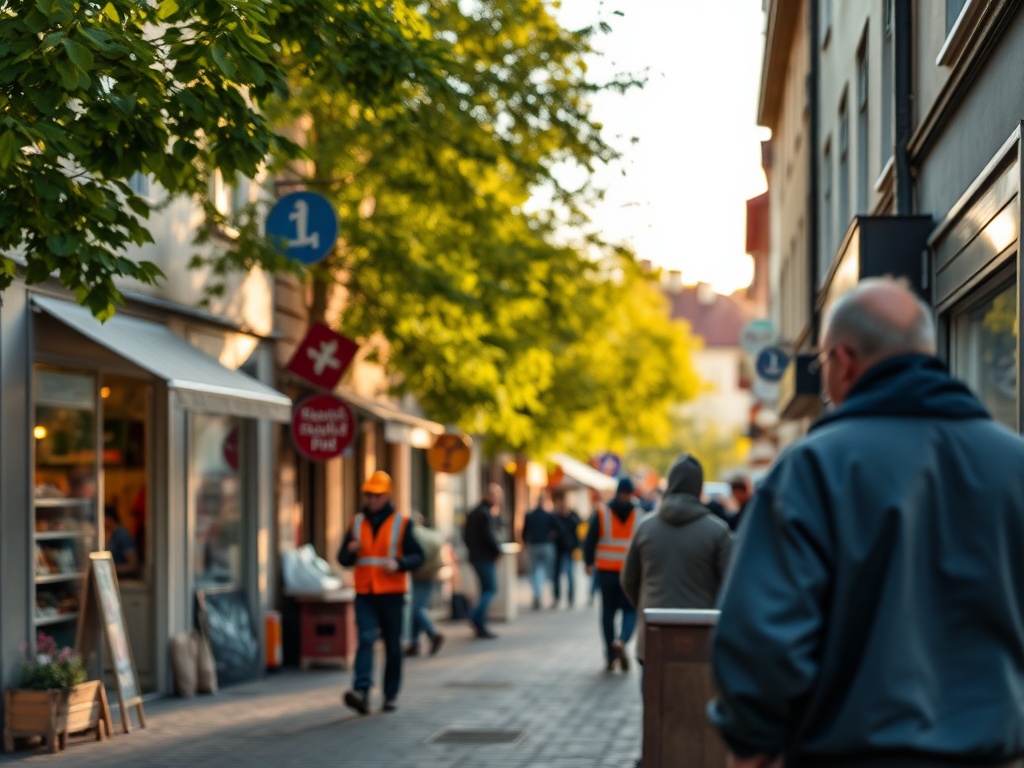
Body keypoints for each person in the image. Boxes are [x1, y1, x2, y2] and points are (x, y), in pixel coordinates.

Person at [709, 276, 1024, 767]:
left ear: (844, 360)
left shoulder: (812, 469)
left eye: (822, 362)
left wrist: (752, 742)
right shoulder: (1014, 464)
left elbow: (764, 641)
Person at [621, 453, 732, 768]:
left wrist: (646, 612)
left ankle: (655, 758)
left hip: (653, 638)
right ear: (697, 489)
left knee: (655, 706)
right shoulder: (718, 531)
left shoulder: (646, 527)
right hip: (703, 640)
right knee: (699, 706)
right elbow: (733, 586)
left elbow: (628, 580)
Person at [337, 471, 423, 715]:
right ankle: (361, 691)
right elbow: (342, 558)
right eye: (368, 495)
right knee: (365, 639)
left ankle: (390, 694)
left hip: (392, 593)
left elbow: (418, 556)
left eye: (376, 495)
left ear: (387, 495)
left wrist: (400, 563)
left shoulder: (402, 523)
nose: (372, 499)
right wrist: (351, 550)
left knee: (393, 646)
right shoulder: (356, 522)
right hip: (365, 592)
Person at [583, 476, 639, 672]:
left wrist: (588, 562)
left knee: (608, 613)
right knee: (630, 611)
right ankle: (622, 640)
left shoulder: (602, 512)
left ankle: (610, 654)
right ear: (632, 493)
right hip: (630, 573)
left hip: (606, 572)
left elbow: (590, 539)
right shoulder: (639, 514)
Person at [463, 482, 504, 639]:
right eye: (496, 495)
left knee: (485, 590)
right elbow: (489, 537)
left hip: (476, 556)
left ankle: (480, 624)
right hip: (484, 558)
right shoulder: (484, 513)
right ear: (488, 495)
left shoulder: (475, 512)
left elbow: (466, 536)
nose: (498, 499)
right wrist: (497, 551)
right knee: (490, 589)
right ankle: (475, 617)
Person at [404, 512, 446, 658]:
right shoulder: (429, 533)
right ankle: (414, 644)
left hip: (419, 574)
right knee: (416, 607)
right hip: (431, 573)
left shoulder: (411, 534)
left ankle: (433, 633)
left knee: (416, 609)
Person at [521, 493, 558, 610]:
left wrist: (526, 543)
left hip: (534, 545)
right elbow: (557, 530)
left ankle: (537, 594)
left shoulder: (530, 515)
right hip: (546, 545)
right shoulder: (548, 516)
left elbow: (524, 532)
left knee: (534, 572)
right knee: (546, 572)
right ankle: (548, 595)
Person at [552, 492, 582, 608]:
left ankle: (571, 597)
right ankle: (557, 597)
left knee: (570, 575)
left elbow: (577, 534)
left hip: (569, 550)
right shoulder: (555, 518)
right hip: (559, 550)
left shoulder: (573, 518)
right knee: (557, 575)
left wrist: (576, 547)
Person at [104, 505, 139, 578]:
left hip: (125, 581)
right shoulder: (112, 536)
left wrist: (109, 569)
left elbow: (132, 565)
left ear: (109, 518)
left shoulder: (122, 535)